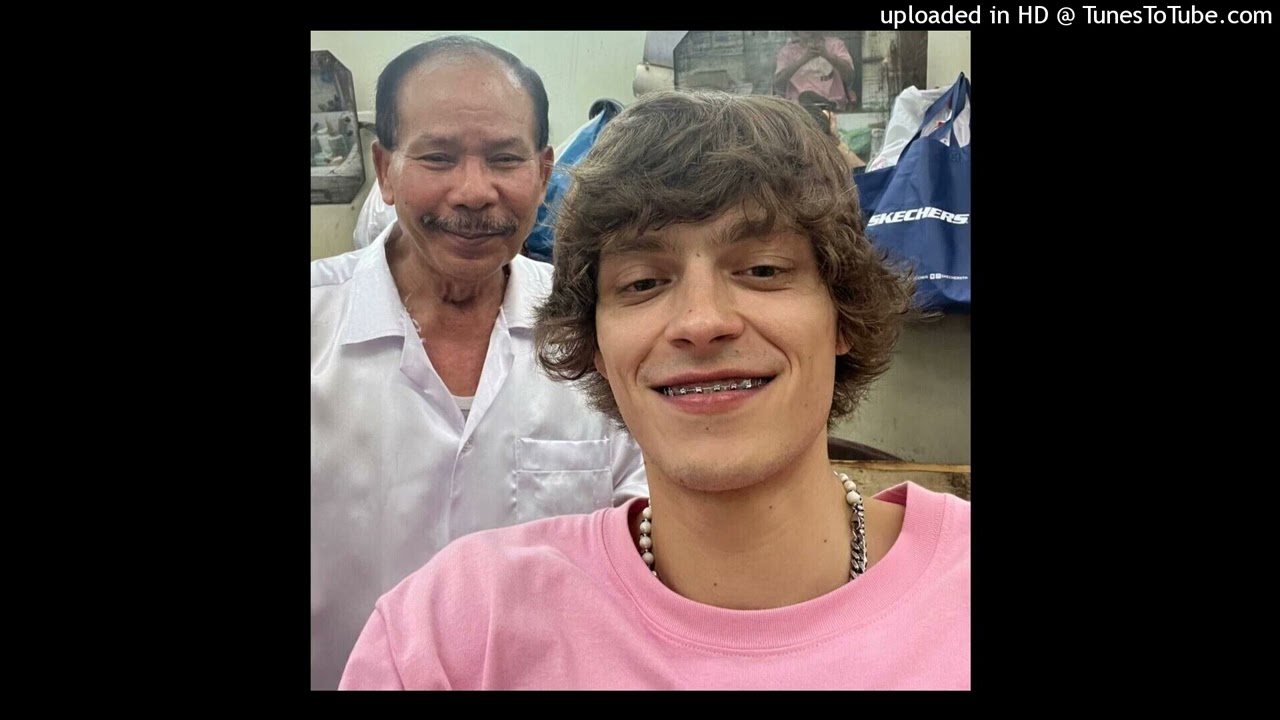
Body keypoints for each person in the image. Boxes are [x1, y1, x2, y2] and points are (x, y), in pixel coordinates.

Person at [339, 89, 969, 691]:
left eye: (762, 270)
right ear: (595, 343)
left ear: (843, 316)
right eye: (642, 282)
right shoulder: (454, 632)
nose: (700, 321)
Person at [311, 36, 648, 690]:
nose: (473, 192)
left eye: (504, 159)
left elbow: (648, 533)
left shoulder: (599, 330)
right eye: (437, 157)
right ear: (385, 170)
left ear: (543, 174)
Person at [774, 32, 858, 110]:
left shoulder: (835, 45)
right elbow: (779, 83)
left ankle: (823, 104)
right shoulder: (787, 52)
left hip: (834, 106)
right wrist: (803, 60)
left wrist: (827, 55)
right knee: (805, 96)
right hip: (799, 108)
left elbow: (850, 76)